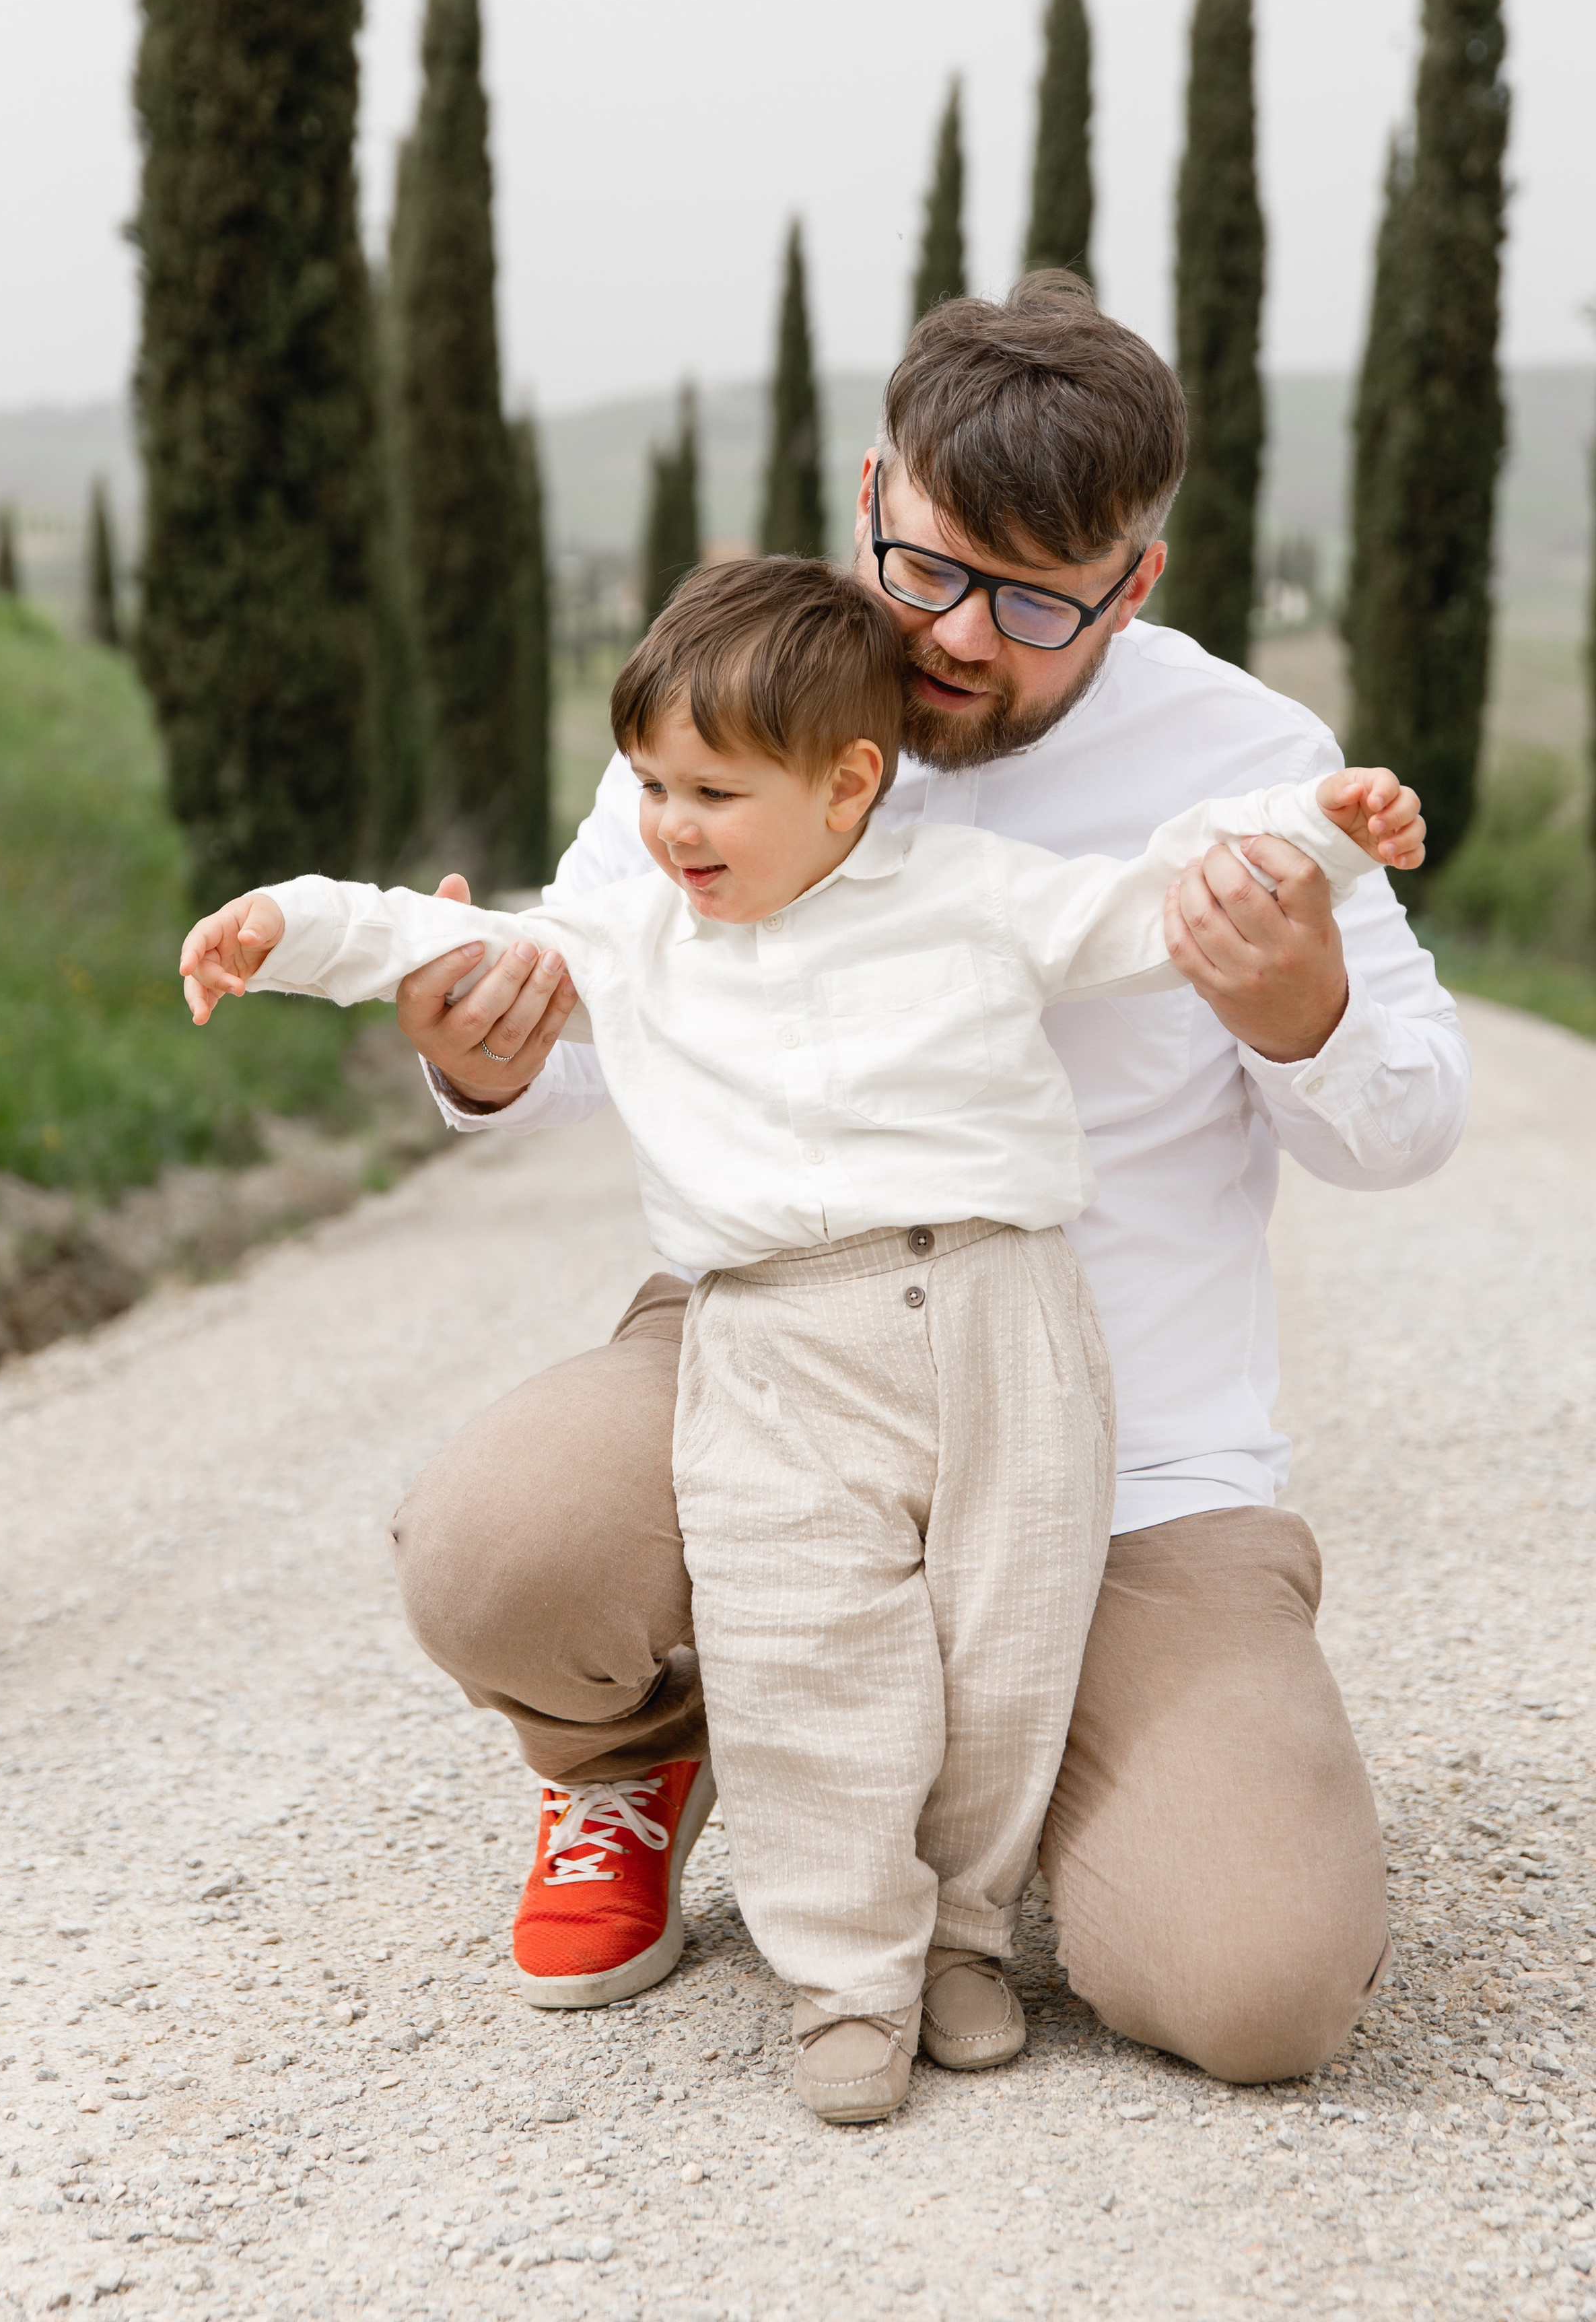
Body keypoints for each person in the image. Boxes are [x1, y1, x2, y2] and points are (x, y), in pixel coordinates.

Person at [382, 274, 1469, 2091]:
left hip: (1123, 1457)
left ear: (1143, 577)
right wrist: (482, 1046)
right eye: (934, 567)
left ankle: (1008, 1774)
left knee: (1263, 1983)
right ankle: (644, 1751)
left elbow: (1410, 1123)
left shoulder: (1253, 768)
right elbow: (581, 1007)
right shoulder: (744, 698)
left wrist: (1306, 1007)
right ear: (874, 488)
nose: (966, 637)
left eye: (1041, 600)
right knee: (503, 1557)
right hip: (778, 1352)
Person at [180, 559, 1425, 2121]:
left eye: (709, 793)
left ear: (848, 788)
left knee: (1000, 1650)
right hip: (775, 1345)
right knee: (802, 1651)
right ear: (869, 500)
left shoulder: (987, 892)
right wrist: (283, 927)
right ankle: (837, 1971)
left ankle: (961, 1939)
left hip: (1002, 1330)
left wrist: (1315, 836)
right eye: (649, 784)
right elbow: (442, 944)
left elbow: (1150, 896)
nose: (669, 824)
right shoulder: (639, 925)